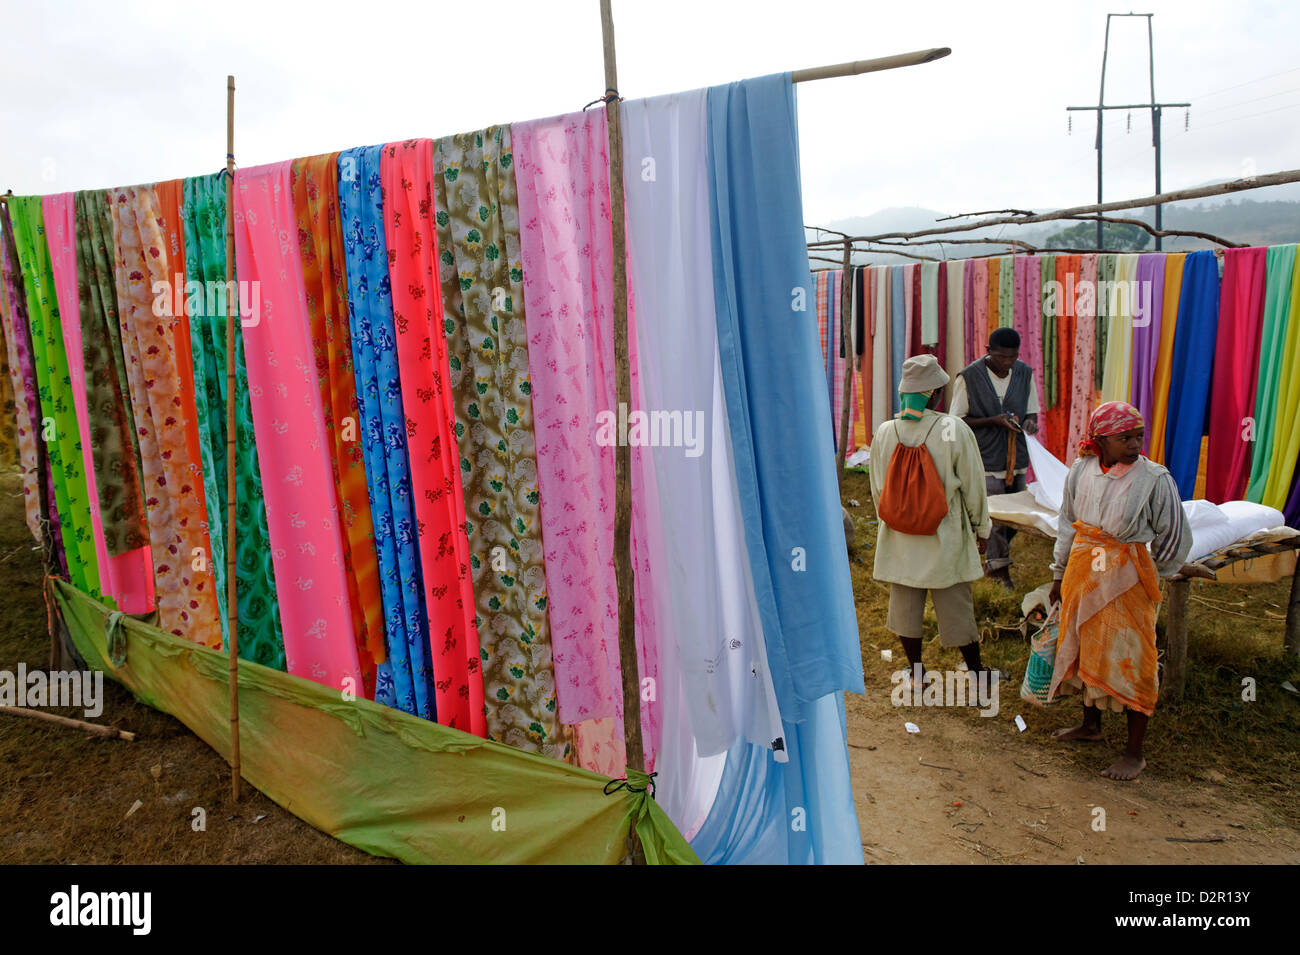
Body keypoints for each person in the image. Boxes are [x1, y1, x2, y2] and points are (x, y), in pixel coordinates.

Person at [1047, 401, 1192, 781]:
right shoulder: (1081, 471)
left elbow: (1173, 533)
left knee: (1132, 658)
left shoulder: (1154, 479)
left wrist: (1152, 572)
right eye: (1124, 437)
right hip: (1083, 571)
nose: (1134, 444)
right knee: (1084, 646)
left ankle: (1134, 752)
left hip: (1128, 580)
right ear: (1100, 441)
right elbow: (1067, 522)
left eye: (1138, 436)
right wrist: (1057, 573)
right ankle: (1090, 726)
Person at [870, 354, 998, 686]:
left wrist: (897, 520)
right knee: (956, 603)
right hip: (944, 534)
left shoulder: (885, 432)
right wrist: (981, 527)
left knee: (905, 606)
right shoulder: (953, 430)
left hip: (899, 535)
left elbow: (878, 489)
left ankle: (916, 673)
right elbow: (972, 485)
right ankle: (977, 674)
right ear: (932, 393)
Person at [950, 327, 1040, 590]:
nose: (1007, 364)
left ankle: (995, 558)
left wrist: (1030, 424)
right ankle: (998, 570)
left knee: (1015, 516)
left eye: (1012, 358)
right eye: (1002, 358)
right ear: (988, 352)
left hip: (1017, 456)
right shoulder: (969, 377)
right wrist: (993, 421)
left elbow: (1031, 413)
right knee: (995, 515)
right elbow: (957, 420)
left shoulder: (1024, 373)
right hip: (986, 456)